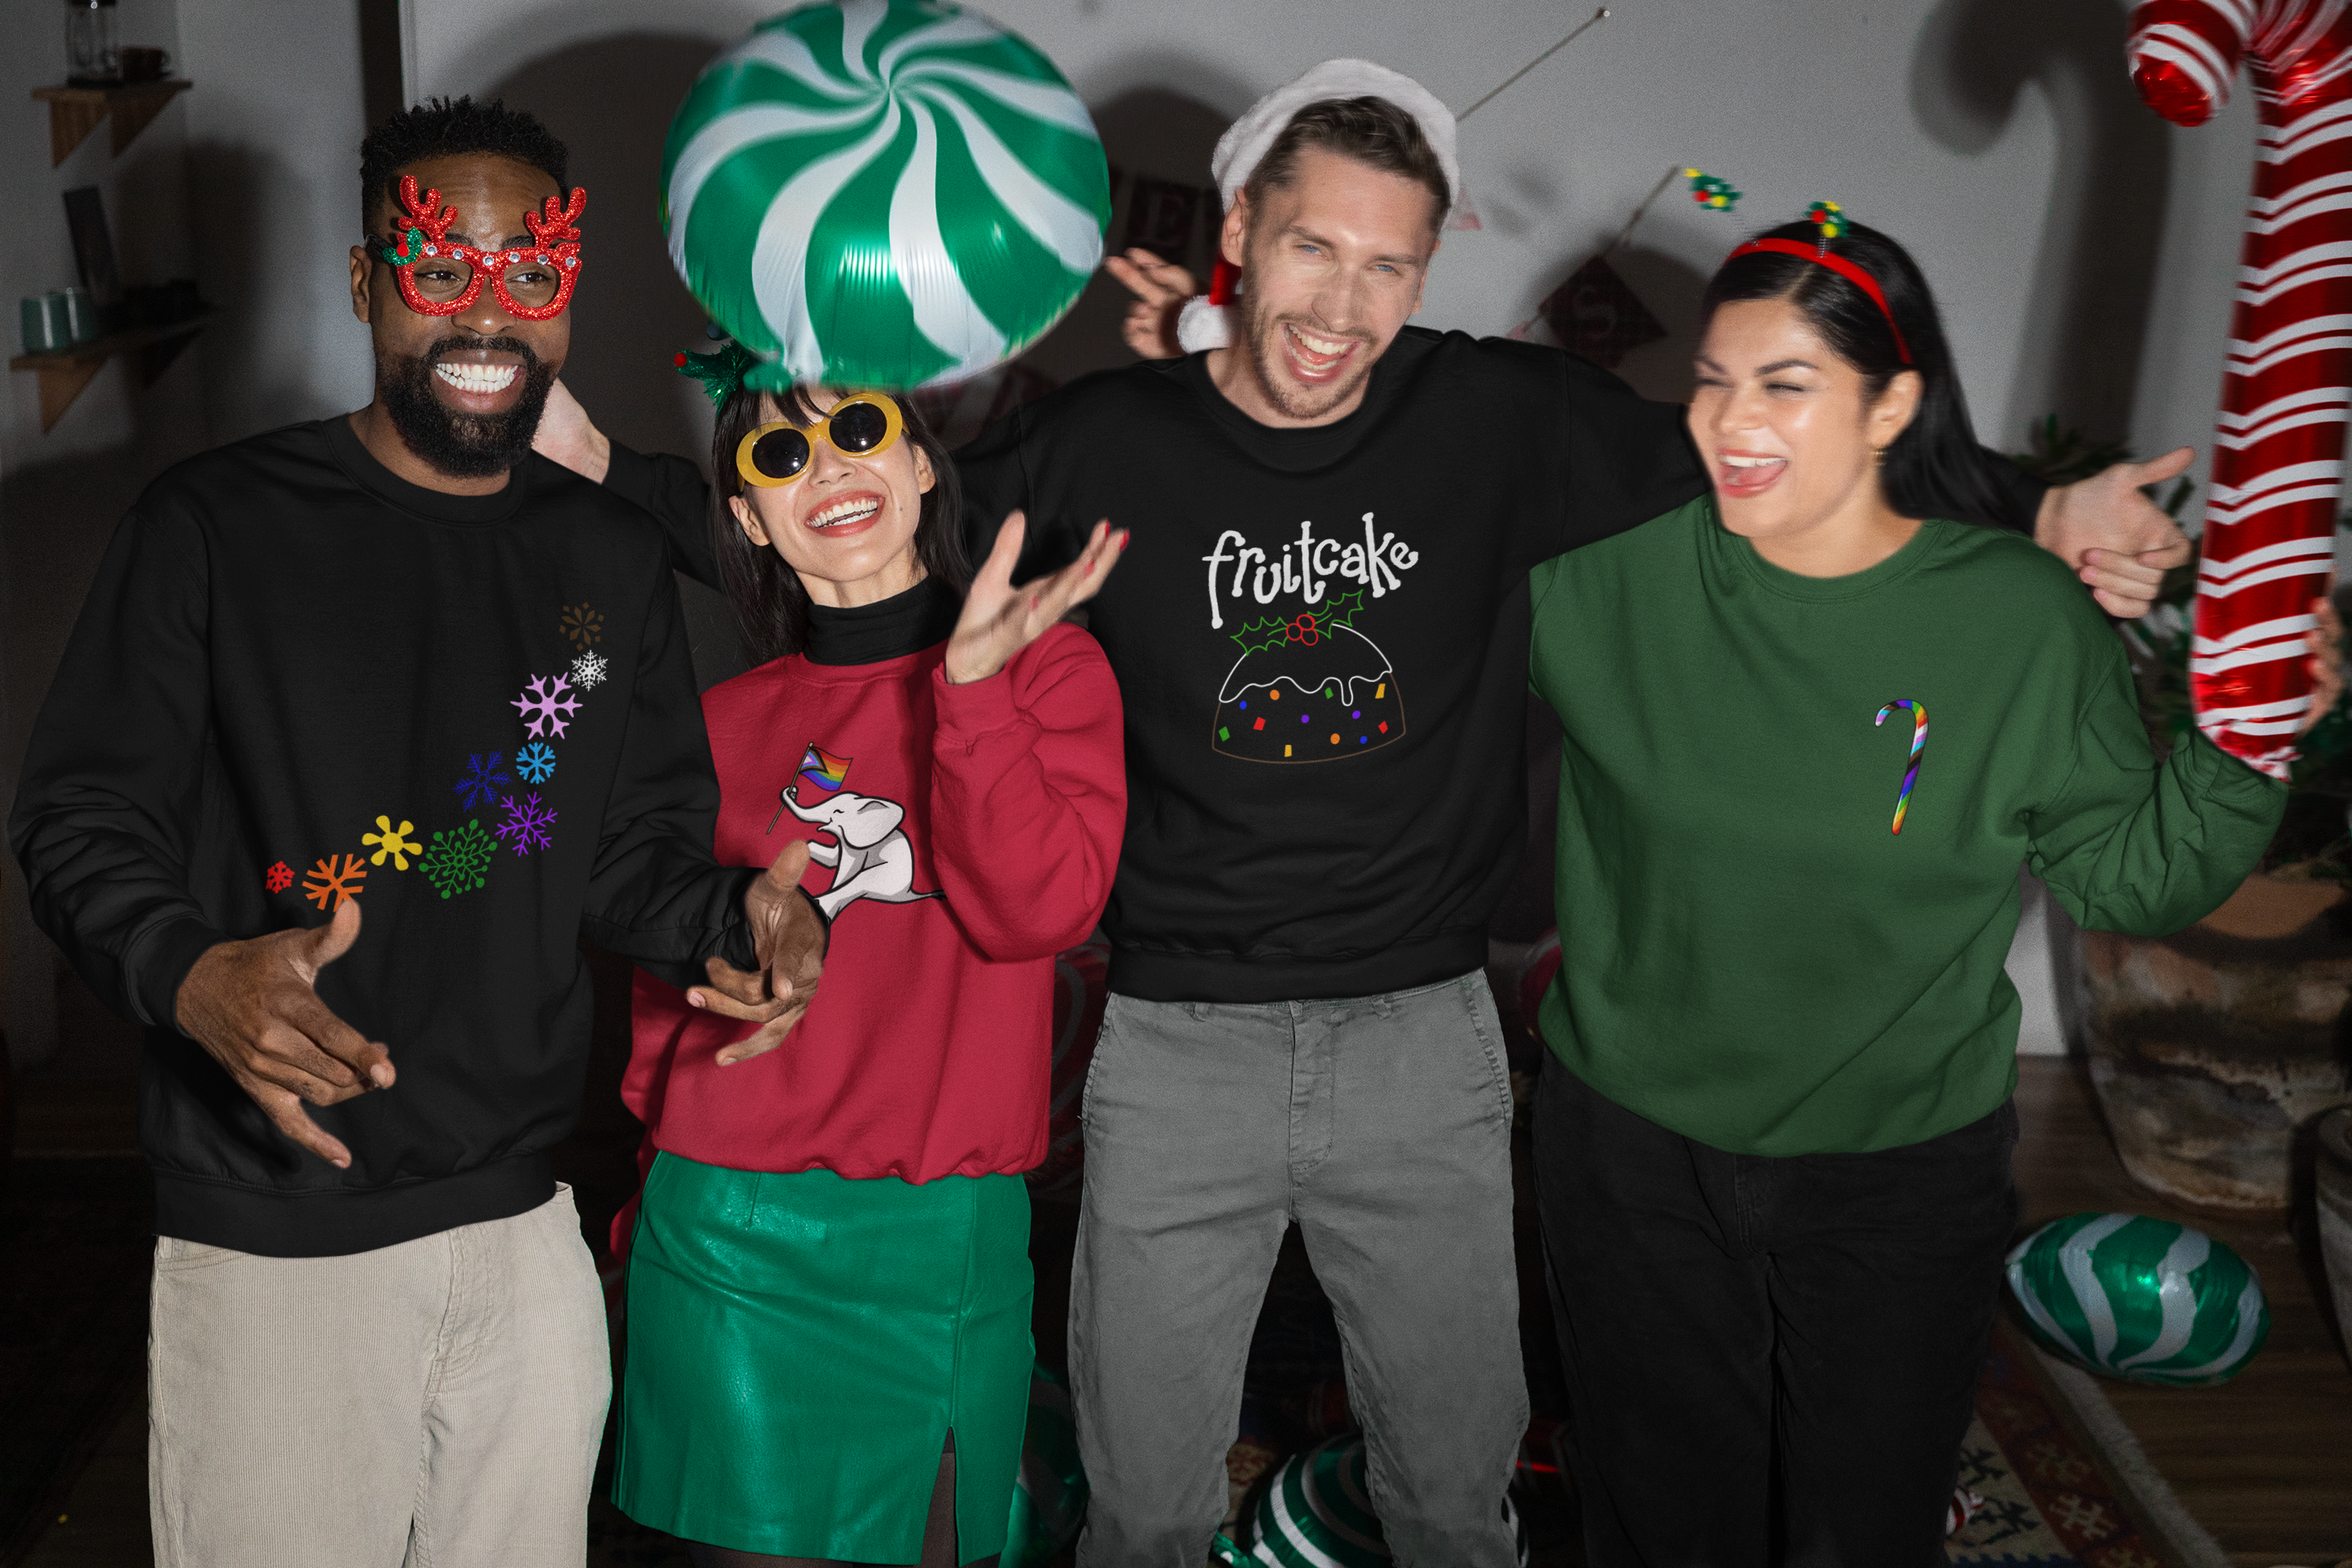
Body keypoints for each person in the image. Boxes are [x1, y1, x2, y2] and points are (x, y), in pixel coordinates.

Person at [535, 62, 2205, 1568]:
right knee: (1145, 1502)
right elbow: (865, 528)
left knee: (1455, 1491)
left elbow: (1776, 449)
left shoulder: (1504, 417)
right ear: (1242, 237)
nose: (1347, 303)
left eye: (1393, 262)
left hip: (1424, 1034)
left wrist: (2035, 505)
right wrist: (625, 486)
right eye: (1316, 249)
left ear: (1430, 266)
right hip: (1178, 1041)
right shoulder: (1105, 438)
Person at [8, 98, 826, 1568]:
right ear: (365, 281)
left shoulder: (610, 559)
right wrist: (194, 973)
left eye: (531, 274)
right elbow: (79, 815)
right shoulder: (215, 525)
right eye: (440, 268)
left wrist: (745, 919)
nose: (488, 314)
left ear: (568, 292)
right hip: (275, 1232)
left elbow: (628, 853)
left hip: (522, 1234)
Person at [1524, 213, 2336, 1563]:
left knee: (1864, 1530)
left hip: (1896, 1171)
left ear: (1894, 400)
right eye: (1715, 379)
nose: (1730, 421)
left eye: (1786, 384)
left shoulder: (2020, 617)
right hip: (1630, 1154)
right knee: (1664, 1522)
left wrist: (2247, 739)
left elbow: (2132, 876)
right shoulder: (1607, 578)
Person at [608, 360, 1125, 1568]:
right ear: (745, 518)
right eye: (778, 457)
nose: (827, 466)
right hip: (727, 1238)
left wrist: (974, 700)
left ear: (917, 459)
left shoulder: (1049, 673)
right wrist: (647, 1220)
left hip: (941, 1239)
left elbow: (1036, 912)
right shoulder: (717, 726)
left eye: (856, 429)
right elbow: (662, 1017)